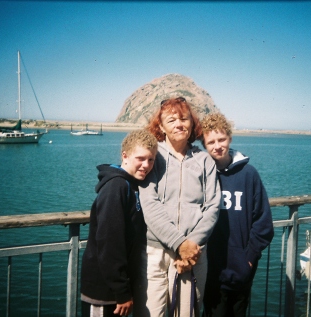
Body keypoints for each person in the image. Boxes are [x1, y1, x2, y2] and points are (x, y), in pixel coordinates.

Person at [134, 97, 221, 317]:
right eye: (171, 120)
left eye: (184, 119)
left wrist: (190, 246)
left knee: (188, 313)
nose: (179, 124)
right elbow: (149, 204)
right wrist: (179, 243)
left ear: (192, 123)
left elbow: (212, 206)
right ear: (161, 126)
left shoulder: (204, 160)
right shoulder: (153, 157)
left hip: (194, 253)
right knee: (152, 312)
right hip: (156, 252)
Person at [200, 113, 274, 317]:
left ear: (230, 138)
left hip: (242, 268)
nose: (217, 146)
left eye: (221, 139)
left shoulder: (248, 174)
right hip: (212, 271)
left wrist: (249, 257)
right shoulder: (202, 175)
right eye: (211, 142)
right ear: (204, 145)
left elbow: (263, 222)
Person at [80, 129, 158, 317]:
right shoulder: (116, 187)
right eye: (140, 158)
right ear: (125, 155)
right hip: (104, 292)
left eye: (151, 160)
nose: (146, 165)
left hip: (115, 289)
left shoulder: (130, 185)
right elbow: (109, 242)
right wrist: (121, 291)